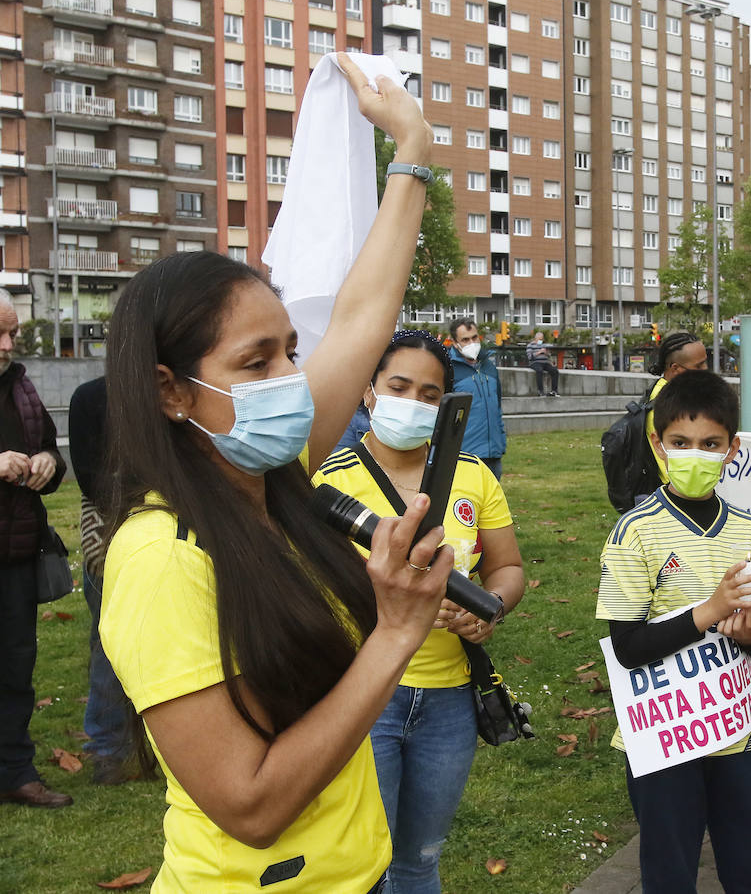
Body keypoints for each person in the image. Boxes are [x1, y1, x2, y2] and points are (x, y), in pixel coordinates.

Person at [100, 57, 443, 891]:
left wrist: (414, 147)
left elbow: (364, 313)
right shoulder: (160, 560)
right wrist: (395, 634)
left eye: (293, 350)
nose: (293, 380)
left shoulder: (271, 474)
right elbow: (249, 804)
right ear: (170, 391)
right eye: (257, 362)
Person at [314, 330, 525, 893]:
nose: (413, 402)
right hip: (363, 701)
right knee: (367, 866)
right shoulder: (326, 483)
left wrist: (490, 609)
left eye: (430, 394)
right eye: (398, 386)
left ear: (448, 406)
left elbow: (508, 569)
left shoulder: (475, 476)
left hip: (450, 702)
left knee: (421, 858)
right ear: (368, 391)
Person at [598, 370, 751, 893]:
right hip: (662, 739)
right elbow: (628, 647)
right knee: (670, 872)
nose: (695, 455)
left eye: (710, 444)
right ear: (658, 445)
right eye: (681, 443)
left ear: (732, 449)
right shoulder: (635, 530)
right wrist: (708, 611)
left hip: (737, 733)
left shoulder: (749, 531)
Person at [0, 289, 72, 809]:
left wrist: (48, 461)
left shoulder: (21, 387)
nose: (7, 345)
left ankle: (16, 772)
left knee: (15, 667)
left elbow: (48, 445)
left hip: (17, 558)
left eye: (13, 334)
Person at [68, 375, 135, 786]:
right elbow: (88, 475)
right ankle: (109, 747)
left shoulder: (173, 390)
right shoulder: (91, 397)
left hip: (172, 516)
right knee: (109, 638)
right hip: (108, 527)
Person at [644, 332, 709, 486]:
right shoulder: (668, 405)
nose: (705, 369)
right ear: (676, 369)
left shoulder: (667, 392)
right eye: (699, 365)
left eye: (706, 363)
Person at [449, 317, 507, 479]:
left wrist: (501, 442)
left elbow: (497, 407)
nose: (472, 343)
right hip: (466, 455)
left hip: (493, 454)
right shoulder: (448, 370)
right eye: (465, 340)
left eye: (474, 337)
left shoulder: (489, 366)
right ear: (455, 343)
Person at [526, 331, 559, 397]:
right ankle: (540, 391)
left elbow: (549, 355)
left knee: (555, 371)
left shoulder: (544, 345)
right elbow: (530, 357)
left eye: (542, 339)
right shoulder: (530, 345)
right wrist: (539, 352)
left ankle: (554, 391)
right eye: (540, 339)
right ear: (536, 339)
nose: (541, 340)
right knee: (539, 370)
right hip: (535, 362)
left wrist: (546, 353)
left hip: (545, 362)